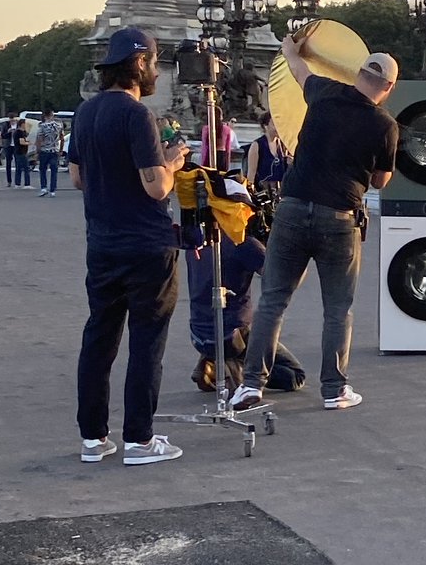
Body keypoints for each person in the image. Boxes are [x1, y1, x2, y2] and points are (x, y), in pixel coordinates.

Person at [231, 39, 399, 413]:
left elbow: (297, 68)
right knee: (338, 308)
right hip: (340, 218)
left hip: (291, 209)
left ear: (358, 74)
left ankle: (250, 385)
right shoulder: (385, 125)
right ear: (388, 88)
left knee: (274, 300)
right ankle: (334, 389)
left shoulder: (323, 93)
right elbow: (380, 181)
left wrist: (294, 47)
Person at [68, 27, 189, 466]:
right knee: (146, 341)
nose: (156, 69)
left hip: (101, 242)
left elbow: (77, 178)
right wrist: (173, 162)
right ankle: (139, 438)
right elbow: (156, 187)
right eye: (155, 61)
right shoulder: (137, 116)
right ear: (139, 64)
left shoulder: (85, 113)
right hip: (146, 244)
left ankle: (93, 437)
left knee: (99, 337)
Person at [186, 231, 305, 395]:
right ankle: (236, 370)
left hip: (198, 331)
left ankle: (213, 361)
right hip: (235, 332)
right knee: (295, 376)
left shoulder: (197, 240)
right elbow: (281, 279)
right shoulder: (242, 243)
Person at [246, 111, 289, 194]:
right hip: (264, 192)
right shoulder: (257, 145)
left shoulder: (283, 145)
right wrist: (250, 194)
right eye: (274, 124)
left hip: (281, 193)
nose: (278, 127)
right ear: (265, 126)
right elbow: (251, 174)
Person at [36, 105, 65, 197]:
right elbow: (62, 138)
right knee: (54, 171)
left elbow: (39, 139)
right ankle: (53, 190)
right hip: (55, 150)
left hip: (44, 150)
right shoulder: (59, 125)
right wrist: (60, 149)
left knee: (43, 170)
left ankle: (44, 188)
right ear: (52, 115)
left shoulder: (42, 126)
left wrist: (37, 151)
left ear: (44, 116)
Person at [199, 106, 239, 171]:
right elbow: (228, 150)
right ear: (221, 116)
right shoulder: (227, 129)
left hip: (209, 155)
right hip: (222, 157)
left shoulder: (206, 129)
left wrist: (203, 162)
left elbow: (205, 148)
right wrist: (227, 164)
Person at [12, 118, 31, 189]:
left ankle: (17, 183)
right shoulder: (19, 133)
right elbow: (21, 142)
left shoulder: (20, 132)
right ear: (22, 124)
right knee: (26, 168)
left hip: (18, 151)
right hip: (21, 152)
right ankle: (27, 184)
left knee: (19, 168)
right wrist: (29, 143)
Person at [0, 113, 18, 187]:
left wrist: (16, 131)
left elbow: (23, 133)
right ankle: (9, 181)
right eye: (11, 120)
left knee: (18, 163)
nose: (12, 121)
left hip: (16, 145)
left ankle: (17, 181)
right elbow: (3, 135)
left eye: (13, 120)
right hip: (8, 145)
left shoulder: (18, 124)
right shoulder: (5, 125)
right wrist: (9, 131)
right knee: (8, 163)